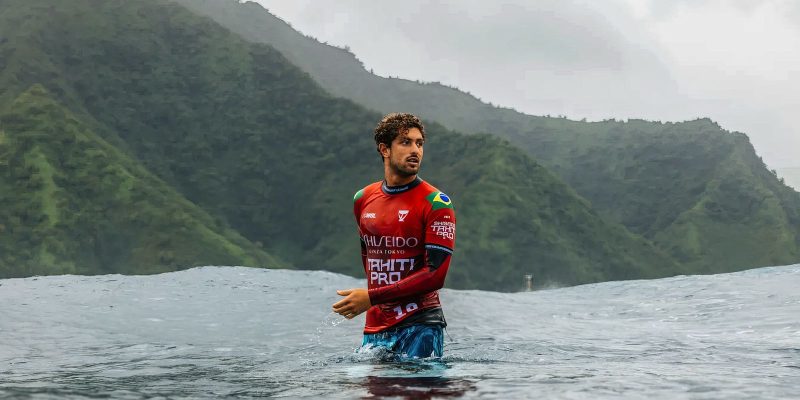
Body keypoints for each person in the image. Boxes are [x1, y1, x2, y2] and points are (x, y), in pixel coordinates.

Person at [332, 112, 456, 359]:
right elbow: (370, 256)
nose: (415, 150)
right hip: (376, 323)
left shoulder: (436, 203)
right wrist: (375, 301)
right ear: (384, 149)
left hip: (420, 324)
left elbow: (435, 276)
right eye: (405, 142)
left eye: (419, 143)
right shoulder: (363, 199)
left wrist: (371, 297)